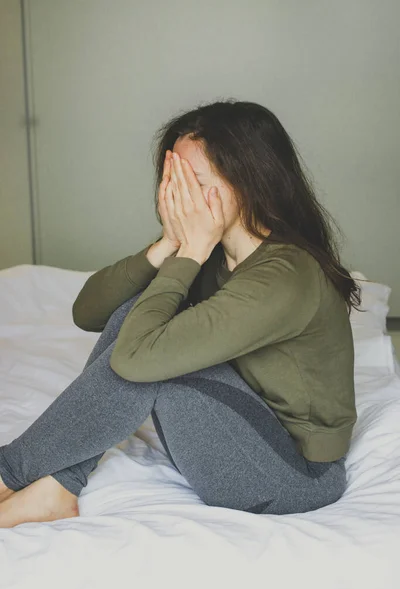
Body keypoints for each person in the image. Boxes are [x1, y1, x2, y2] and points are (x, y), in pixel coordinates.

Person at [0, 99, 362, 527]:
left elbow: (135, 359)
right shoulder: (209, 249)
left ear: (249, 183)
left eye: (195, 182)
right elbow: (88, 311)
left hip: (293, 477)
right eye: (174, 178)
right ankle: (58, 487)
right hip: (245, 423)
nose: (178, 195)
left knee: (152, 358)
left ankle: (10, 474)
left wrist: (189, 251)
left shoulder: (285, 276)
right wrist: (169, 245)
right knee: (138, 315)